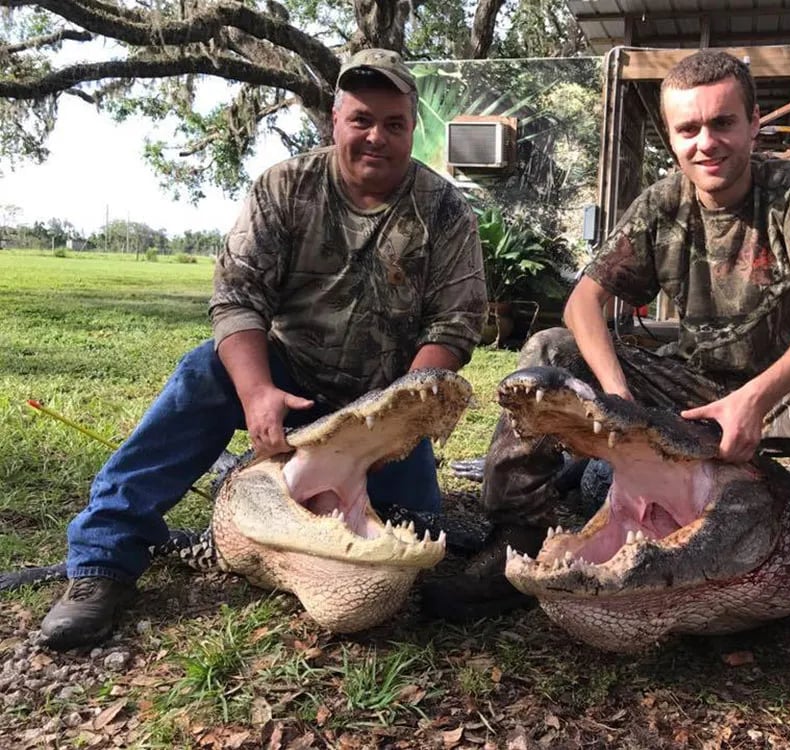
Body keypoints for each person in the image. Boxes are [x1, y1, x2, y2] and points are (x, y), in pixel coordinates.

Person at [423, 50, 790, 731]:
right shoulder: (664, 202)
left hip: (788, 391)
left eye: (722, 122)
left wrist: (754, 397)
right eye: (687, 129)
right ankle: (520, 535)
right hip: (690, 391)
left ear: (754, 123)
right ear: (672, 137)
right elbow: (582, 303)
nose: (706, 142)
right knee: (551, 349)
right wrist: (615, 405)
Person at [40, 48, 487, 652]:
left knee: (414, 546)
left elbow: (454, 326)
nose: (375, 136)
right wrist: (256, 393)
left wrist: (393, 421)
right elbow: (236, 299)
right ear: (335, 121)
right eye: (361, 119)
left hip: (382, 397)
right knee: (204, 370)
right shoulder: (285, 186)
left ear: (413, 128)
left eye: (393, 123)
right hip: (290, 377)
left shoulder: (446, 210)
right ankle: (102, 561)